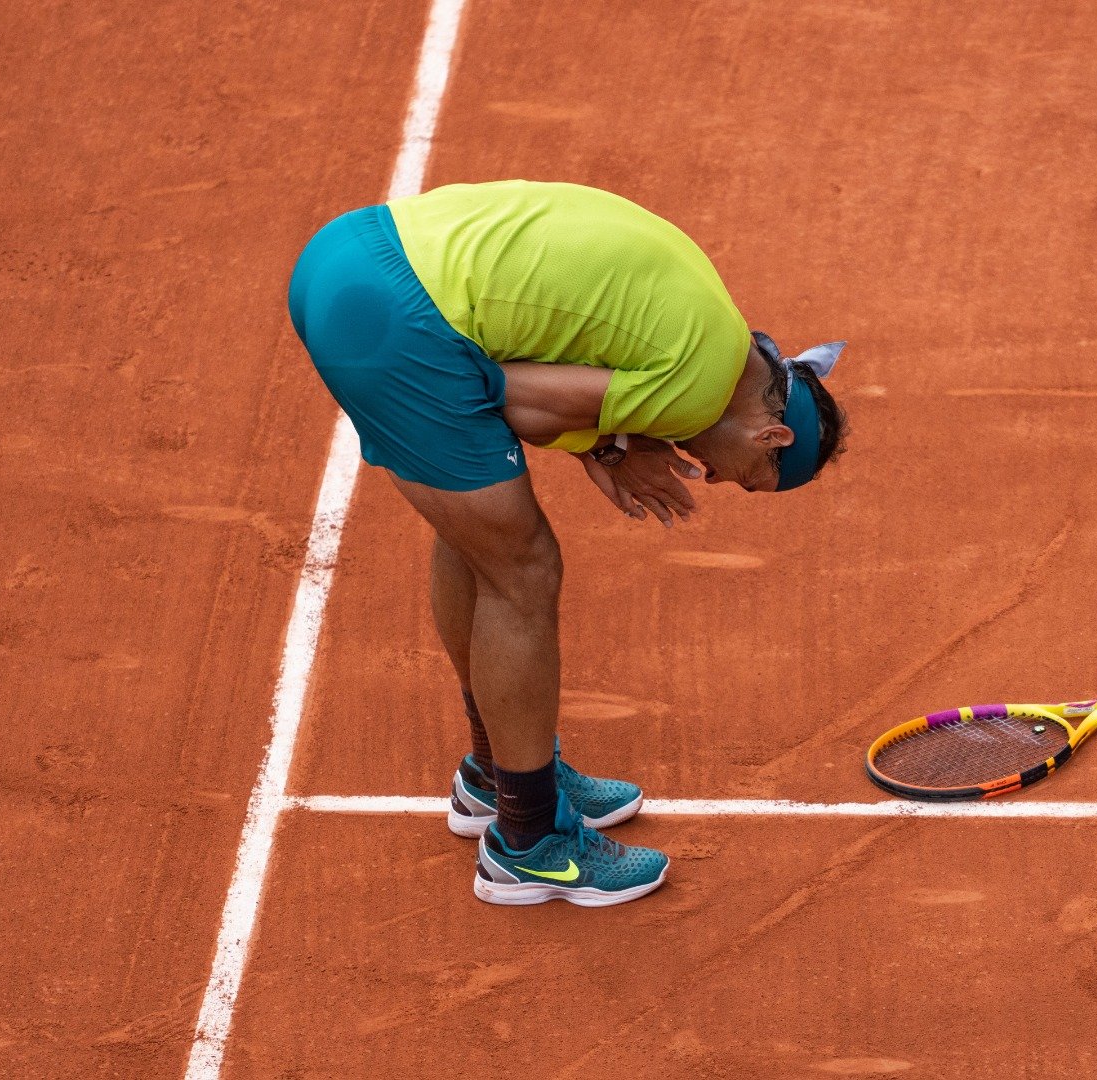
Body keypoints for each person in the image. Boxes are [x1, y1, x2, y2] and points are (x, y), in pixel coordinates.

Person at [287, 181, 847, 907]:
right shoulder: (699, 394)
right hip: (390, 321)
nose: (708, 476)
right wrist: (610, 446)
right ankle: (529, 845)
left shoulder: (721, 334)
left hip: (353, 252)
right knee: (523, 569)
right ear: (770, 436)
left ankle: (499, 774)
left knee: (477, 540)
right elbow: (504, 394)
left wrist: (606, 441)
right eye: (741, 477)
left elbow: (525, 373)